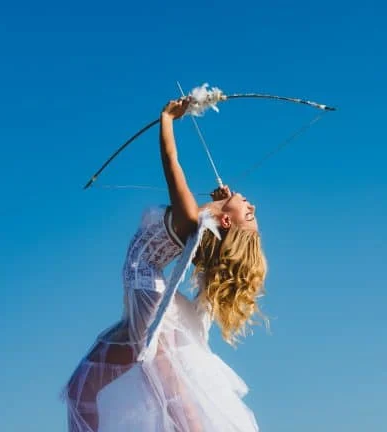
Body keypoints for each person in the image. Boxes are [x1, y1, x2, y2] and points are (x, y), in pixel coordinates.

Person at [63, 97, 268, 431]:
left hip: (147, 294)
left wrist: (167, 120)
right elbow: (209, 224)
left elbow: (172, 164)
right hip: (139, 299)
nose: (251, 205)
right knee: (80, 389)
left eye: (248, 214)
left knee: (171, 389)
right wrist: (219, 204)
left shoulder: (189, 216)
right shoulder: (202, 220)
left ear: (227, 222)